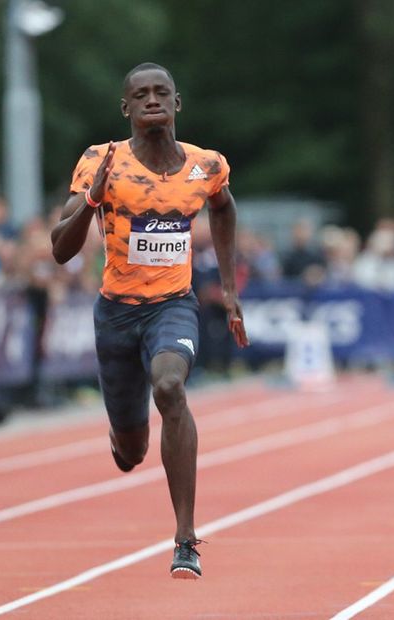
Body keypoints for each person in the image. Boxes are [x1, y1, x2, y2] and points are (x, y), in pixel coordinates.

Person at [51, 62, 249, 579]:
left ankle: (185, 538)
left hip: (172, 305)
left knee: (169, 386)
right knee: (130, 451)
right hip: (116, 313)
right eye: (141, 94)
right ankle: (123, 437)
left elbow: (224, 210)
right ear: (127, 108)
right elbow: (58, 250)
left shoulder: (207, 166)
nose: (152, 100)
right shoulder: (102, 160)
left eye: (162, 92)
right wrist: (92, 198)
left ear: (177, 103)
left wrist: (228, 290)